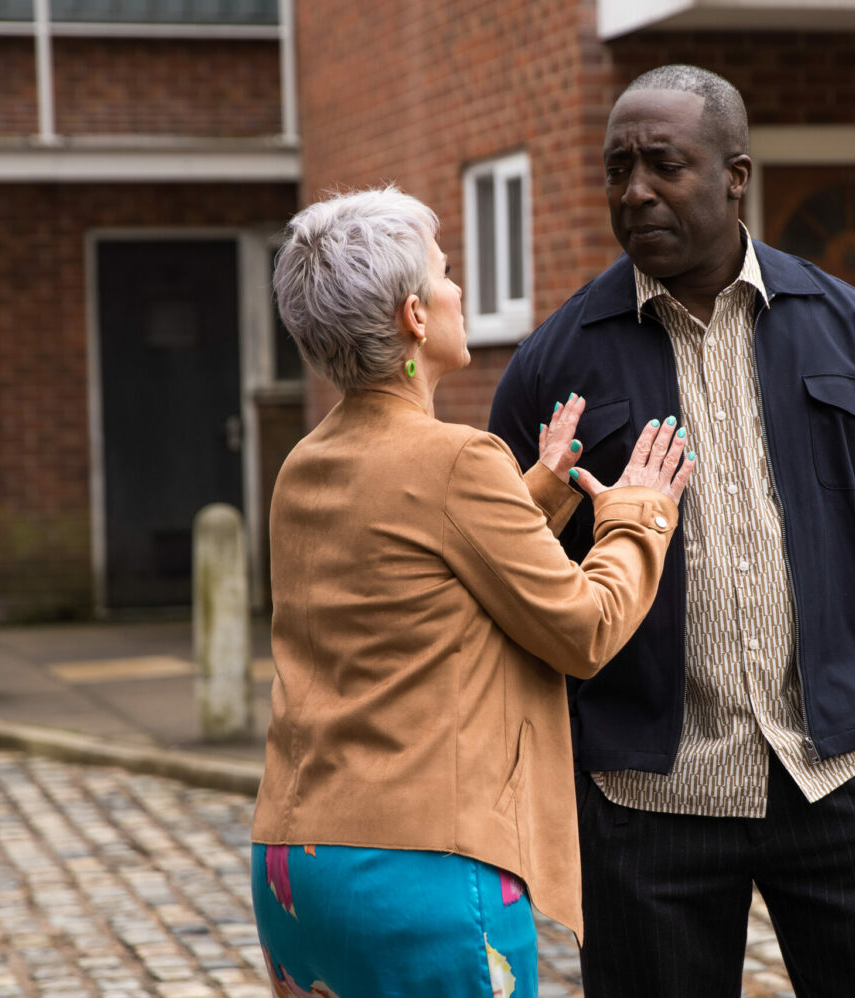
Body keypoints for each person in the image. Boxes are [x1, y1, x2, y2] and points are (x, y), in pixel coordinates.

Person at [489, 65, 855, 996]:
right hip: (644, 803)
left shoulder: (853, 331)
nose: (636, 191)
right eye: (617, 168)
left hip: (842, 775)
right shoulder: (558, 359)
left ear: (735, 175)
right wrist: (574, 763)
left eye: (664, 165)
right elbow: (503, 571)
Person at [250, 186, 695, 998]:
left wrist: (538, 493)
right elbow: (583, 629)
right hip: (417, 872)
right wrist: (638, 515)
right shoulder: (456, 459)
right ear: (415, 316)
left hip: (294, 862)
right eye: (446, 272)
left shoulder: (304, 464)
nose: (458, 289)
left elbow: (416, 578)